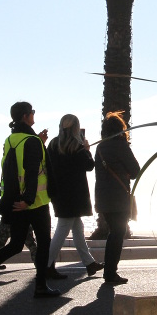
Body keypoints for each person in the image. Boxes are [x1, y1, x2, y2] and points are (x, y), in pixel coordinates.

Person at [0, 102, 59, 300]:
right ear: (26, 116)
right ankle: (41, 286)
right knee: (44, 243)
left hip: (16, 201)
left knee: (16, 244)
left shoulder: (11, 140)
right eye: (33, 112)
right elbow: (31, 173)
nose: (34, 115)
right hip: (34, 202)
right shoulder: (32, 141)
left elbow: (12, 170)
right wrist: (28, 199)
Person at [45, 114, 104, 278]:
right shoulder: (77, 146)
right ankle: (46, 265)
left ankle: (89, 263)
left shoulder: (53, 144)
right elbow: (89, 166)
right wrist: (87, 151)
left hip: (59, 192)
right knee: (63, 229)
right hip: (75, 194)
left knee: (78, 228)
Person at [94, 111, 141, 285]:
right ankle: (110, 272)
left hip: (102, 198)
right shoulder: (121, 146)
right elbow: (136, 170)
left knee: (113, 233)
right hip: (119, 198)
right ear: (121, 128)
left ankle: (109, 270)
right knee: (117, 234)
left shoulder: (100, 147)